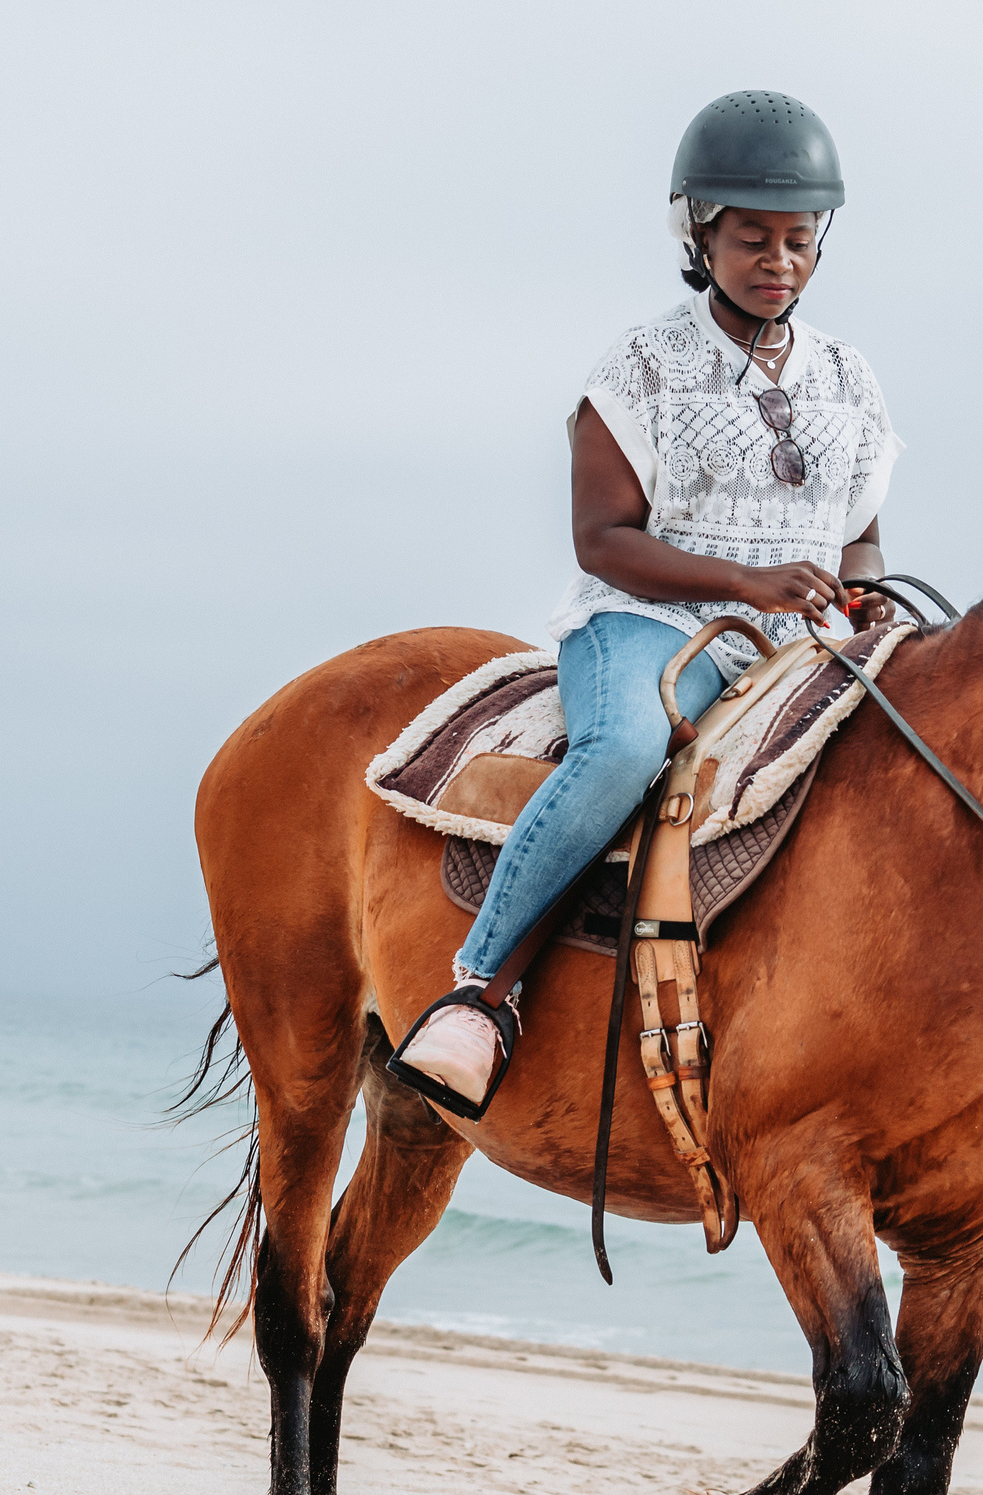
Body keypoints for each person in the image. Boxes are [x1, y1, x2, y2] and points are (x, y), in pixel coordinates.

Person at [390, 89, 903, 1115]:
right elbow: (604, 540)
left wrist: (873, 600)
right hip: (648, 626)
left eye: (798, 241)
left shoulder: (851, 377)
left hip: (803, 648)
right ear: (697, 233)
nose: (778, 262)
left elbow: (860, 535)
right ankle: (477, 997)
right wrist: (749, 584)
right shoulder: (638, 366)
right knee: (624, 751)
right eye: (752, 239)